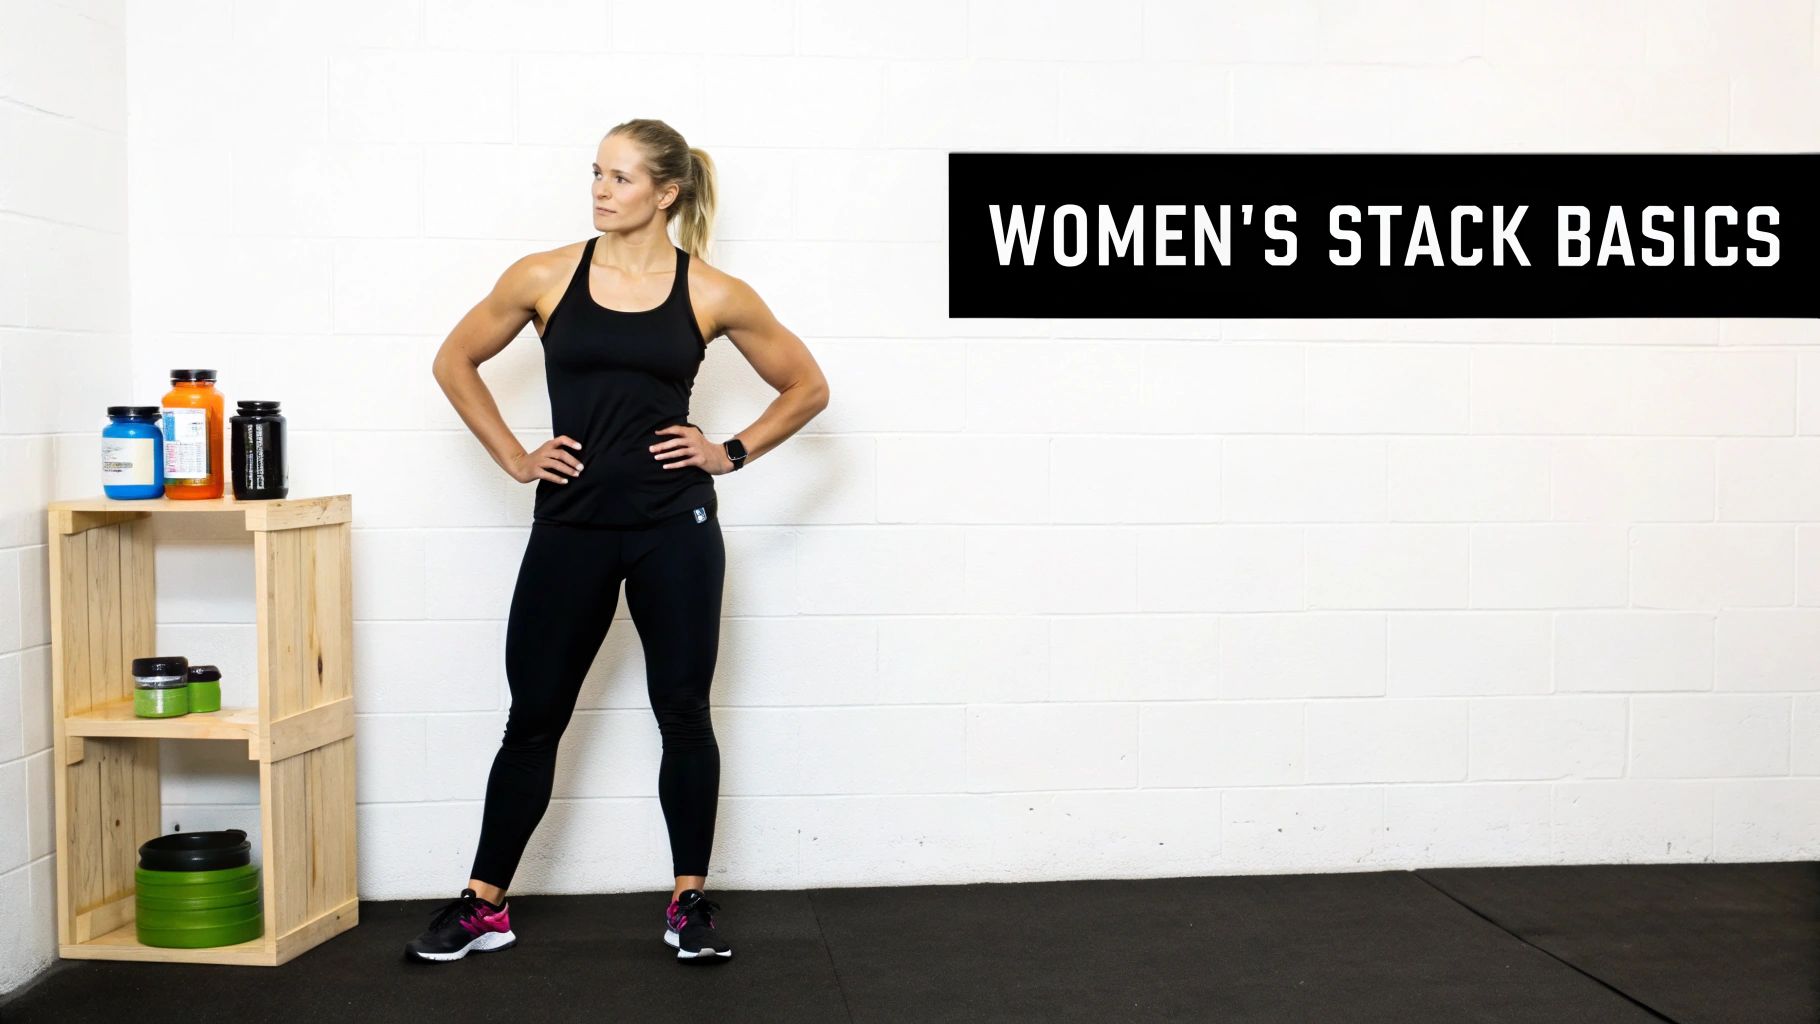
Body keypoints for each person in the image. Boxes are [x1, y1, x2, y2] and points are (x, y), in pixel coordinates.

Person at [406, 118, 830, 964]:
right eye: (596, 173)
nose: (600, 189)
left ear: (666, 193)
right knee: (533, 718)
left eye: (621, 177)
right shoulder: (544, 276)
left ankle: (690, 902)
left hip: (676, 527)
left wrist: (730, 450)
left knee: (684, 713)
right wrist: (516, 456)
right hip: (572, 527)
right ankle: (485, 903)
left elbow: (808, 386)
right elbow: (454, 360)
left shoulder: (712, 292)